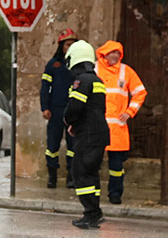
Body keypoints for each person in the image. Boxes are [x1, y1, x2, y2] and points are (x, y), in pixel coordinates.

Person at [62, 39, 109, 228]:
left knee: (80, 172)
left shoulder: (81, 81)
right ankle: (95, 212)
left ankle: (91, 214)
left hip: (88, 136)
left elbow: (75, 107)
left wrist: (69, 121)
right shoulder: (98, 81)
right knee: (91, 173)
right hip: (98, 133)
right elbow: (95, 109)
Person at [94, 40, 148, 204]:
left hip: (117, 128)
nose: (115, 55)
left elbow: (140, 93)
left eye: (118, 53)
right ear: (105, 54)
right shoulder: (95, 69)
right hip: (98, 126)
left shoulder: (126, 71)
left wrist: (129, 112)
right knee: (93, 164)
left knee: (116, 167)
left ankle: (115, 194)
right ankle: (92, 195)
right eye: (112, 52)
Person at [40, 29, 79, 188]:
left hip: (73, 110)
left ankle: (71, 176)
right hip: (55, 110)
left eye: (72, 45)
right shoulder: (53, 65)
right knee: (52, 145)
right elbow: (45, 87)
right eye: (67, 44)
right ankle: (52, 176)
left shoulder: (78, 65)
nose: (69, 47)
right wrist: (45, 107)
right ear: (61, 46)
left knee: (73, 146)